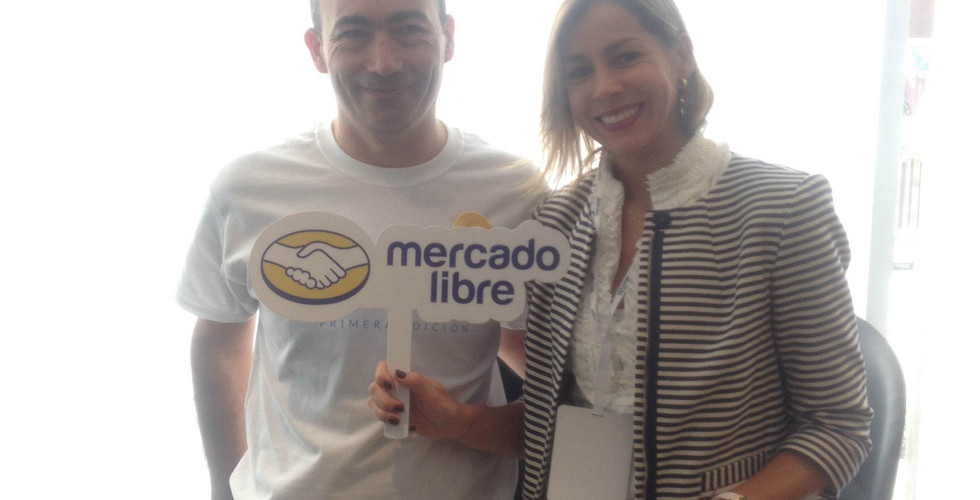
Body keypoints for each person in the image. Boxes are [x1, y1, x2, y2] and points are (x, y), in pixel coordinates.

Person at [369, 1, 873, 499]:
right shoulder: (556, 224)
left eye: (626, 56)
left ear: (682, 56)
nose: (605, 87)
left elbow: (838, 425)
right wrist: (458, 421)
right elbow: (553, 429)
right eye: (579, 71)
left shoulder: (782, 209)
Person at [178, 0, 547, 498]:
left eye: (409, 29)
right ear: (316, 50)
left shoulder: (516, 193)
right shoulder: (247, 189)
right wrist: (225, 488)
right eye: (352, 34)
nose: (384, 62)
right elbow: (220, 338)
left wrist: (462, 419)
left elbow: (544, 365)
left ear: (448, 37)